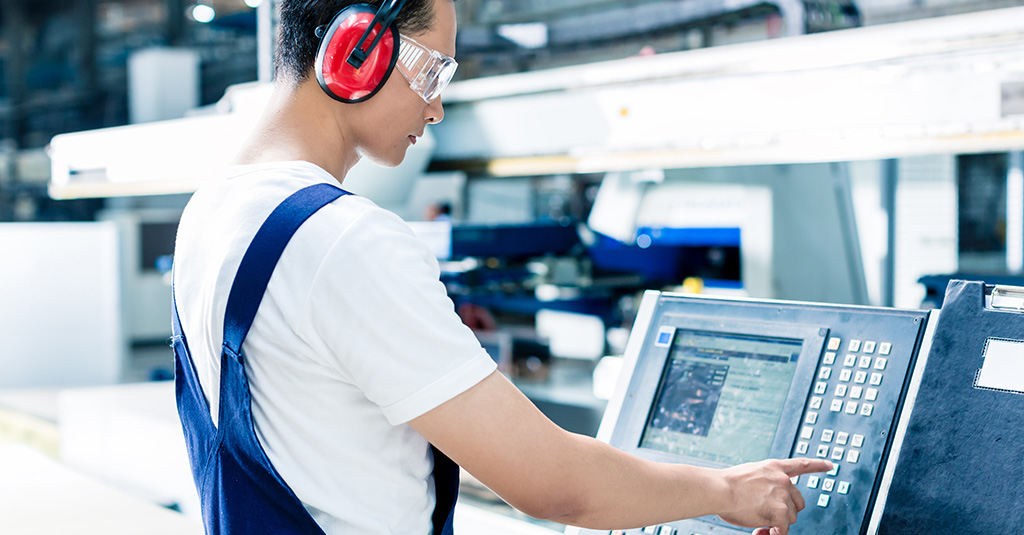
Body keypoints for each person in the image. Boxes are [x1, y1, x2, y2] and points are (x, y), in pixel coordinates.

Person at [171, 0, 831, 533]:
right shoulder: (343, 238)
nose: (434, 106)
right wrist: (726, 489)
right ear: (355, 50)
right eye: (432, 72)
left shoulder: (212, 213)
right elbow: (555, 487)